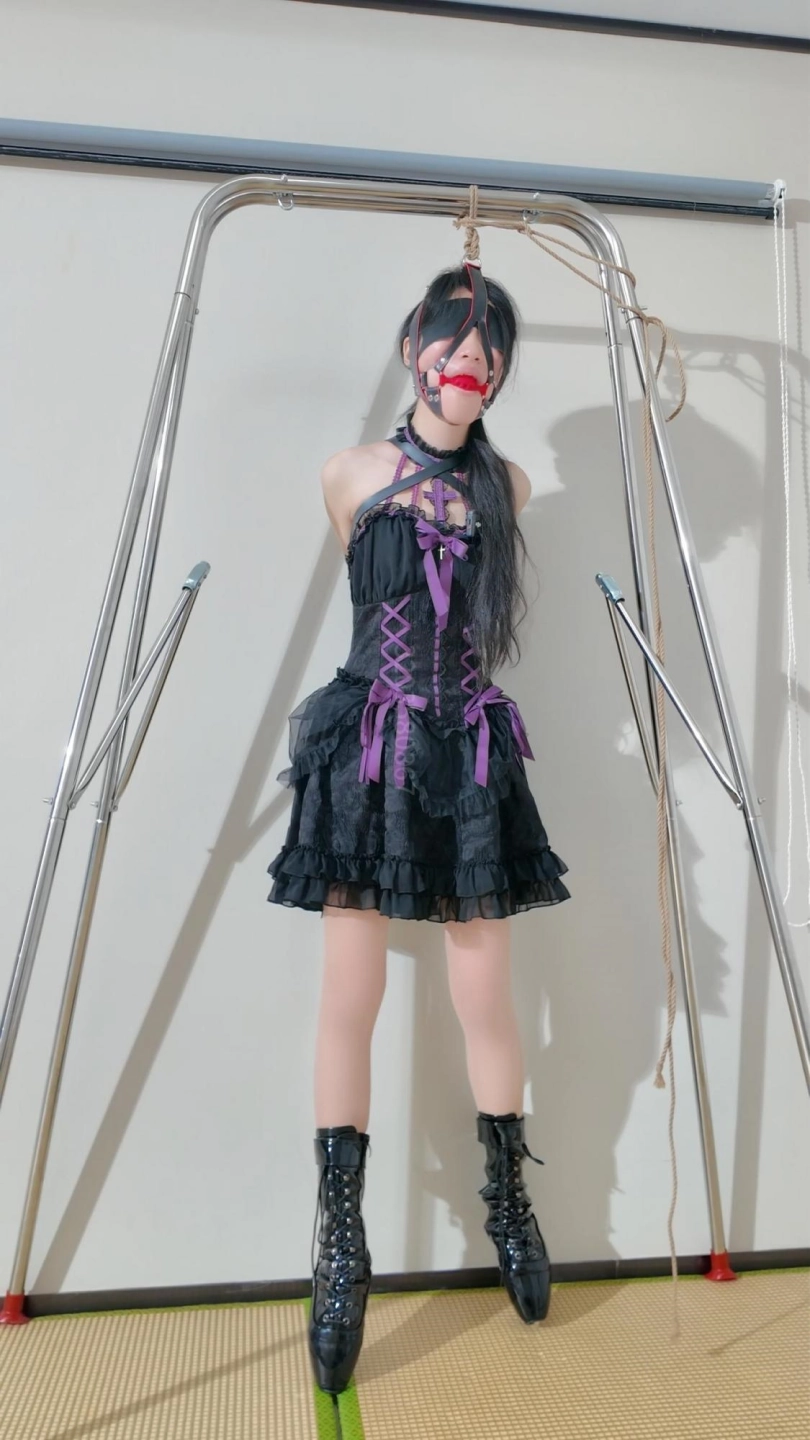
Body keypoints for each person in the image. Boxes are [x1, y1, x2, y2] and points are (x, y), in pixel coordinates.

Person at [268, 257, 570, 1394]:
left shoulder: (509, 486)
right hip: (369, 750)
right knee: (350, 996)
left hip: (469, 753)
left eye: (490, 351)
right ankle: (341, 1243)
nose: (470, 361)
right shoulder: (349, 474)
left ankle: (509, 1197)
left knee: (486, 995)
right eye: (453, 341)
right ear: (412, 350)